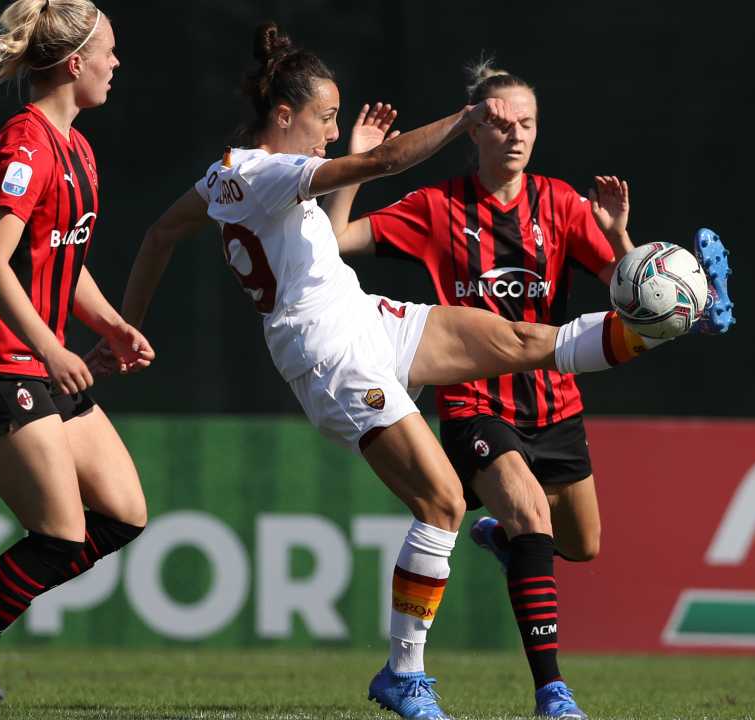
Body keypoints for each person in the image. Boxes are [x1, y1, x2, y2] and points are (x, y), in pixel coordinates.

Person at [100, 23, 705, 720]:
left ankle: (654, 329)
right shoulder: (269, 170)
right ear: (286, 115)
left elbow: (158, 235)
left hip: (361, 316)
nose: (330, 134)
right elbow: (384, 164)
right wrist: (466, 119)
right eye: (325, 118)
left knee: (518, 340)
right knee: (443, 502)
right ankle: (404, 675)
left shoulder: (226, 173)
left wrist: (127, 323)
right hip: (328, 352)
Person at [329, 62, 735, 718]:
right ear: (474, 132)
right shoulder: (440, 208)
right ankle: (553, 694)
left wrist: (622, 236)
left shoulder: (563, 204)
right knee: (531, 517)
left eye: (528, 123)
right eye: (500, 123)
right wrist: (356, 163)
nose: (515, 135)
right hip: (475, 404)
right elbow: (339, 241)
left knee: (581, 544)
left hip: (555, 403)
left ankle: (501, 537)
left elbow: (635, 300)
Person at [0, 2, 154, 718]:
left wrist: (111, 324)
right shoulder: (26, 145)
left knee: (125, 516)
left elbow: (60, 261)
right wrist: (51, 347)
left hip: (37, 362)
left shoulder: (76, 147)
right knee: (59, 533)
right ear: (75, 63)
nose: (116, 64)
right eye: (109, 52)